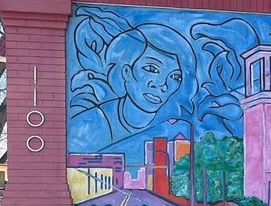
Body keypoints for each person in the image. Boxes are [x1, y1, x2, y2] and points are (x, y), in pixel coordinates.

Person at [69, 24, 197, 146]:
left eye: (175, 77)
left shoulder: (176, 128)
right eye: (151, 69)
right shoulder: (89, 125)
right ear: (126, 72)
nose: (163, 85)